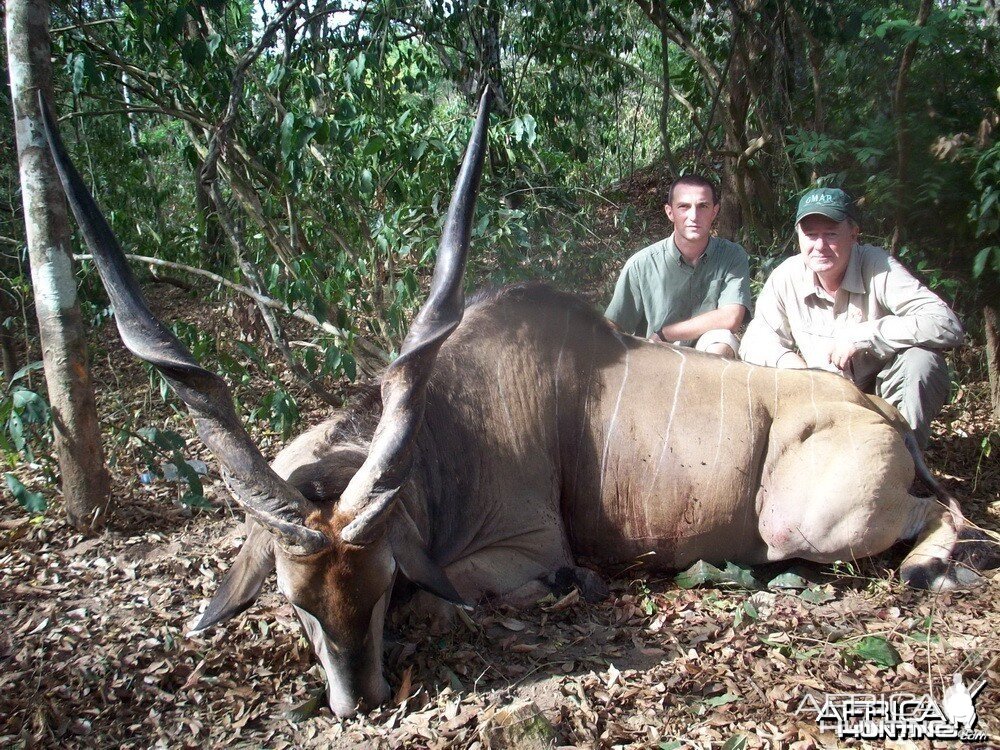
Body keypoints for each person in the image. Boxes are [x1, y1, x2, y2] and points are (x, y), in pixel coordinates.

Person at [740, 187, 964, 447]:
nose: (820, 246)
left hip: (880, 400)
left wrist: (863, 336)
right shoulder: (787, 275)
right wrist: (792, 364)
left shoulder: (878, 266)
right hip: (820, 397)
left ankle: (905, 456)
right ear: (799, 237)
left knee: (922, 362)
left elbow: (945, 322)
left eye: (831, 234)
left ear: (854, 234)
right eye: (811, 235)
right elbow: (754, 340)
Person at [604, 175, 752, 357]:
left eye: (702, 206)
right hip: (655, 355)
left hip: (704, 353)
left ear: (714, 212)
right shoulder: (641, 264)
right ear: (670, 212)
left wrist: (666, 333)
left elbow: (731, 316)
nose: (694, 216)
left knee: (722, 344)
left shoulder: (731, 255)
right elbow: (614, 324)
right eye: (684, 207)